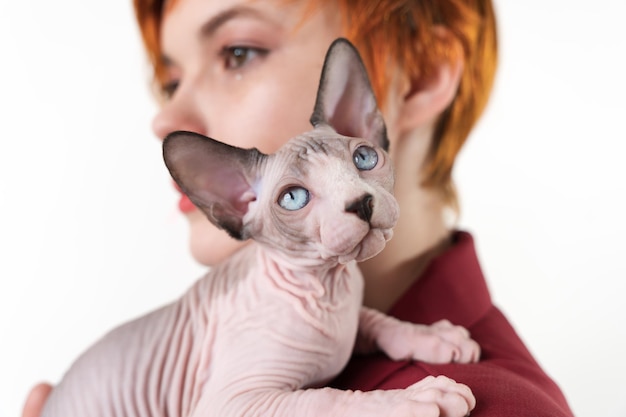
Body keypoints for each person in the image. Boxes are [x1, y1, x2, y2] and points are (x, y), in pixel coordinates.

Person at [21, 0, 574, 416]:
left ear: (422, 72)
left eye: (237, 54)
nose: (165, 119)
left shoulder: (475, 401)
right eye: (170, 82)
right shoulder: (279, 312)